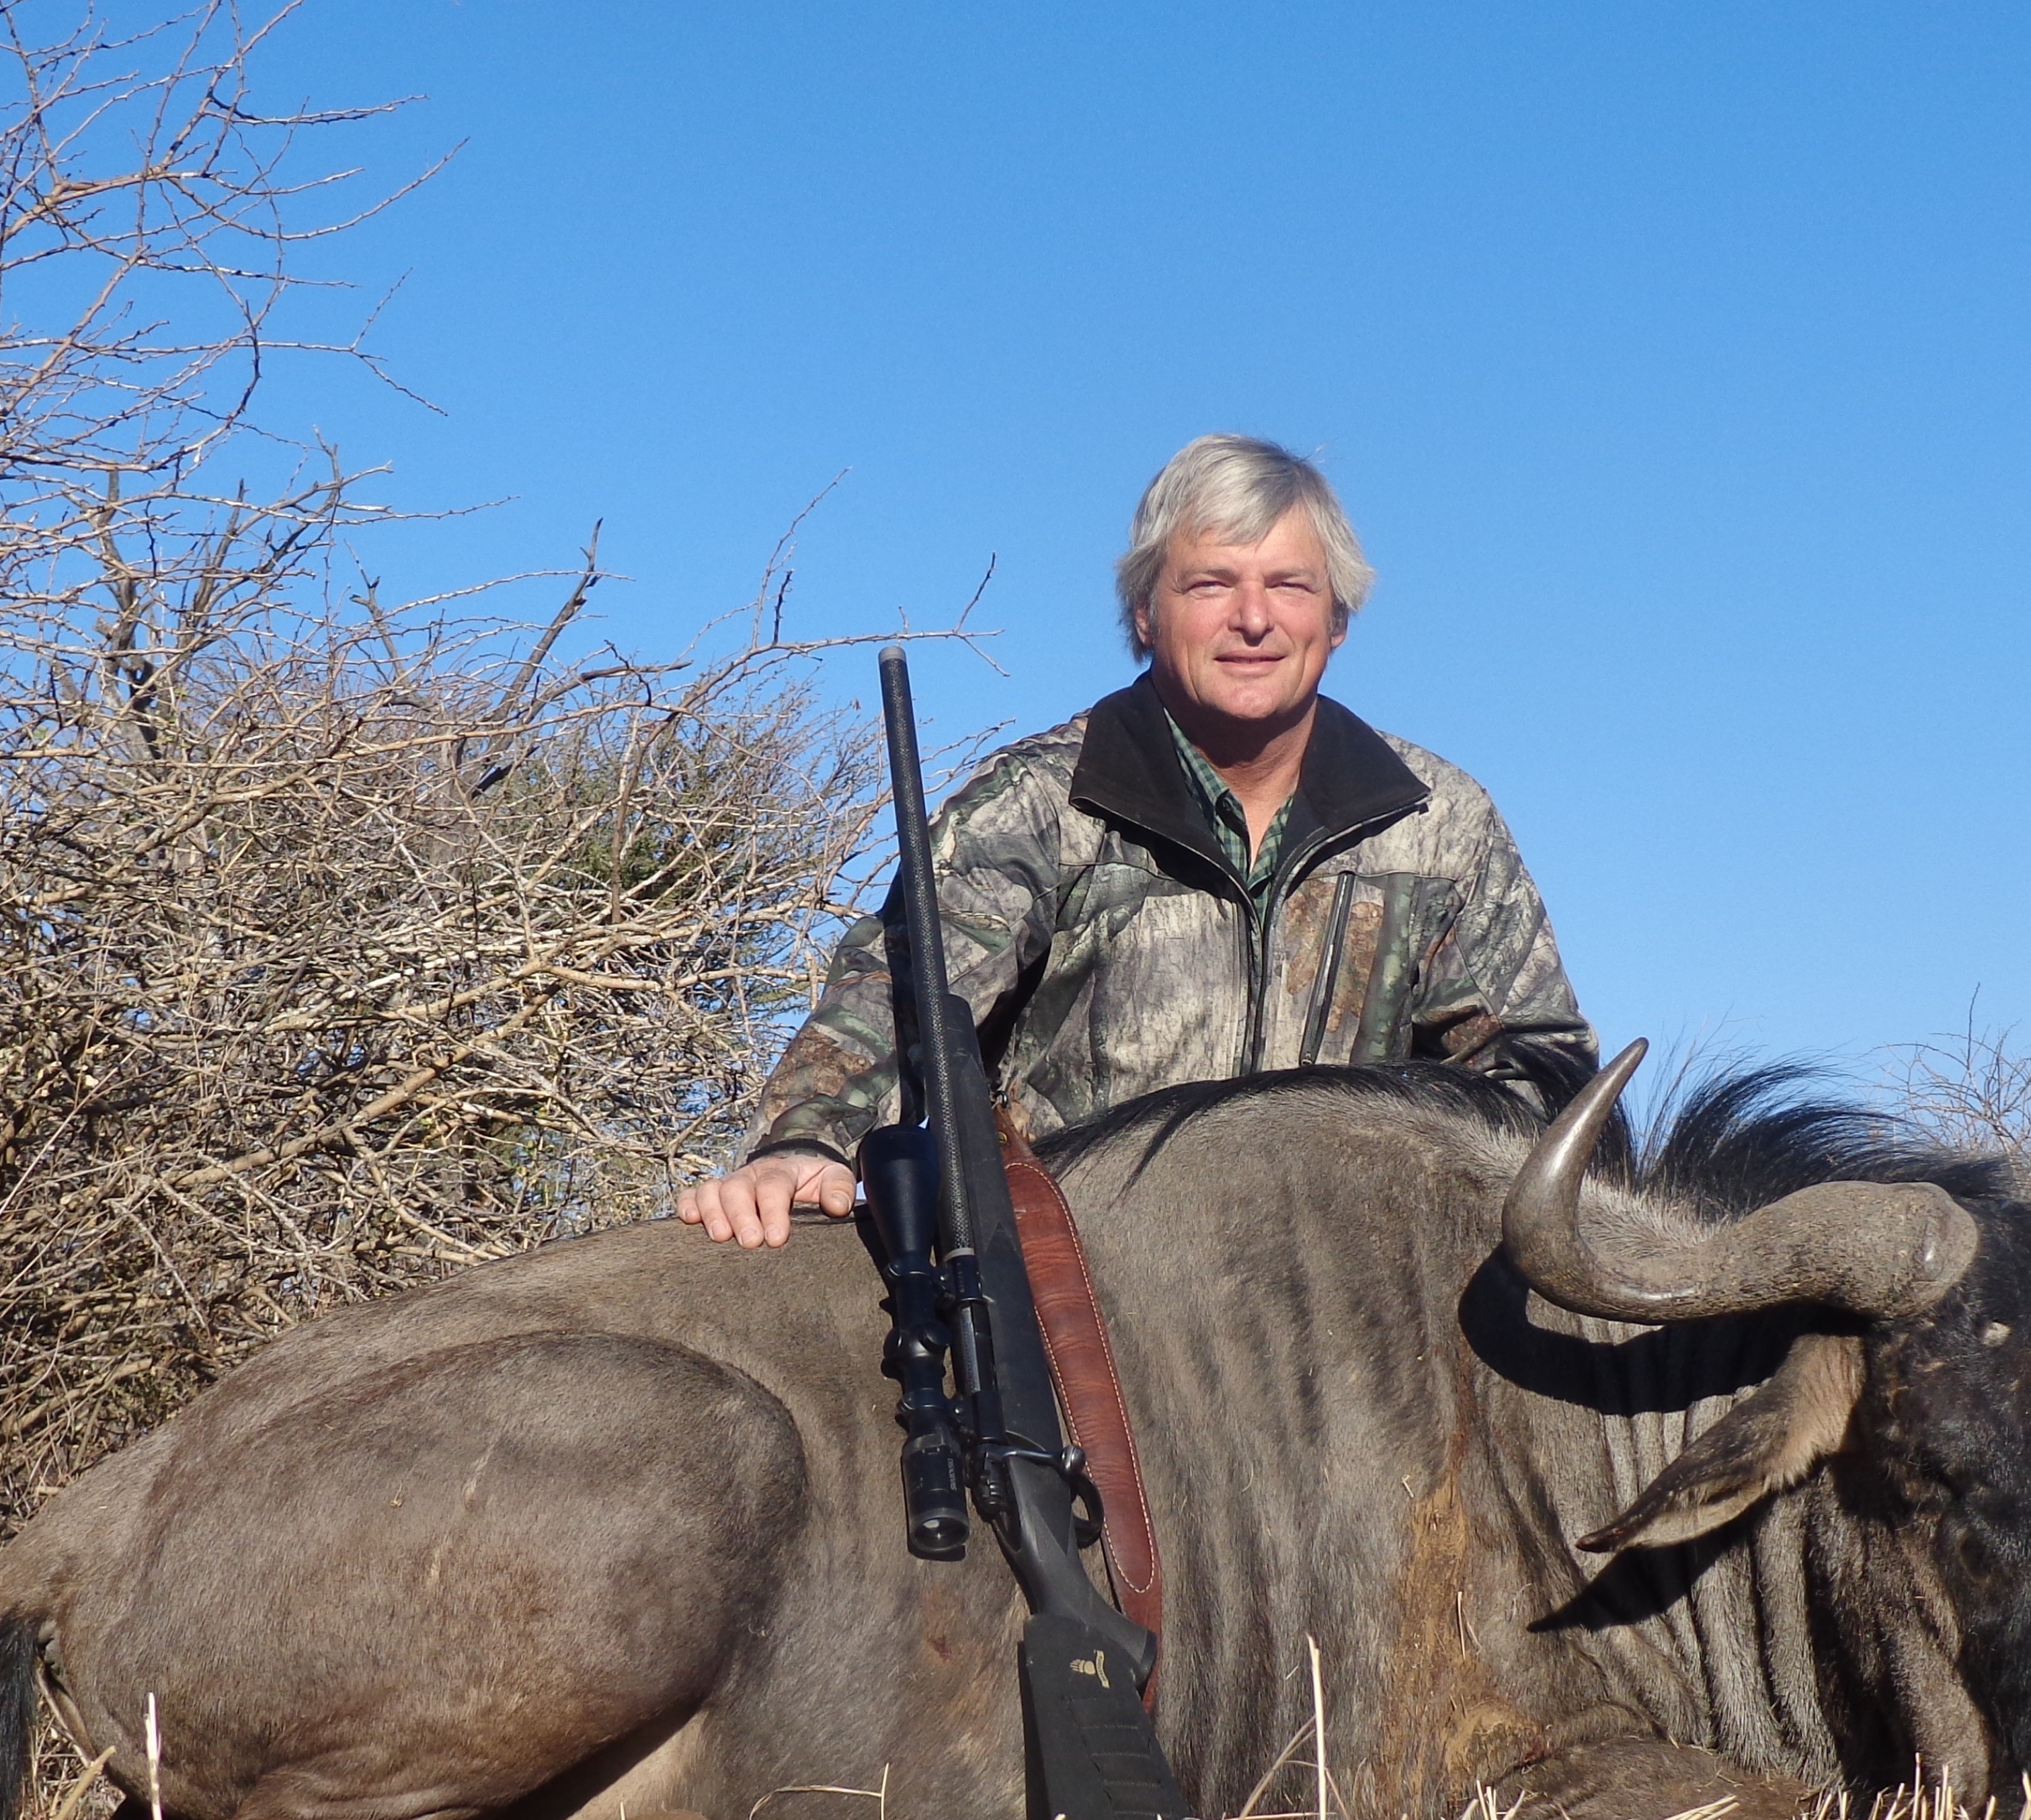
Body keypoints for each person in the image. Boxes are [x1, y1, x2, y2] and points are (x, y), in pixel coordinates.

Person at [676, 433, 1597, 1247]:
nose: (1253, 619)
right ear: (1146, 615)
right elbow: (900, 998)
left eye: (1289, 585)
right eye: (1211, 584)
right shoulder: (1041, 802)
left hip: (1353, 1296)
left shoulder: (1437, 821)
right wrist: (802, 1143)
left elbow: (1539, 1068)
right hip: (1095, 1288)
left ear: (1338, 620)